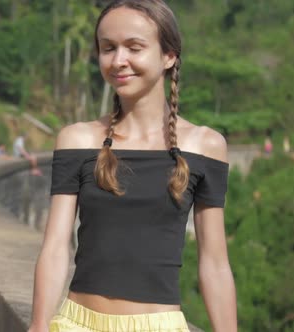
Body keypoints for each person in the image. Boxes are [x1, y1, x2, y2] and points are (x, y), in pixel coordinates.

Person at [28, 1, 237, 332]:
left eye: (134, 47)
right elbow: (55, 247)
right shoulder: (77, 140)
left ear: (169, 56)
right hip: (75, 323)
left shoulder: (205, 145)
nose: (118, 61)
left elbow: (214, 263)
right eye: (108, 48)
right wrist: (39, 325)